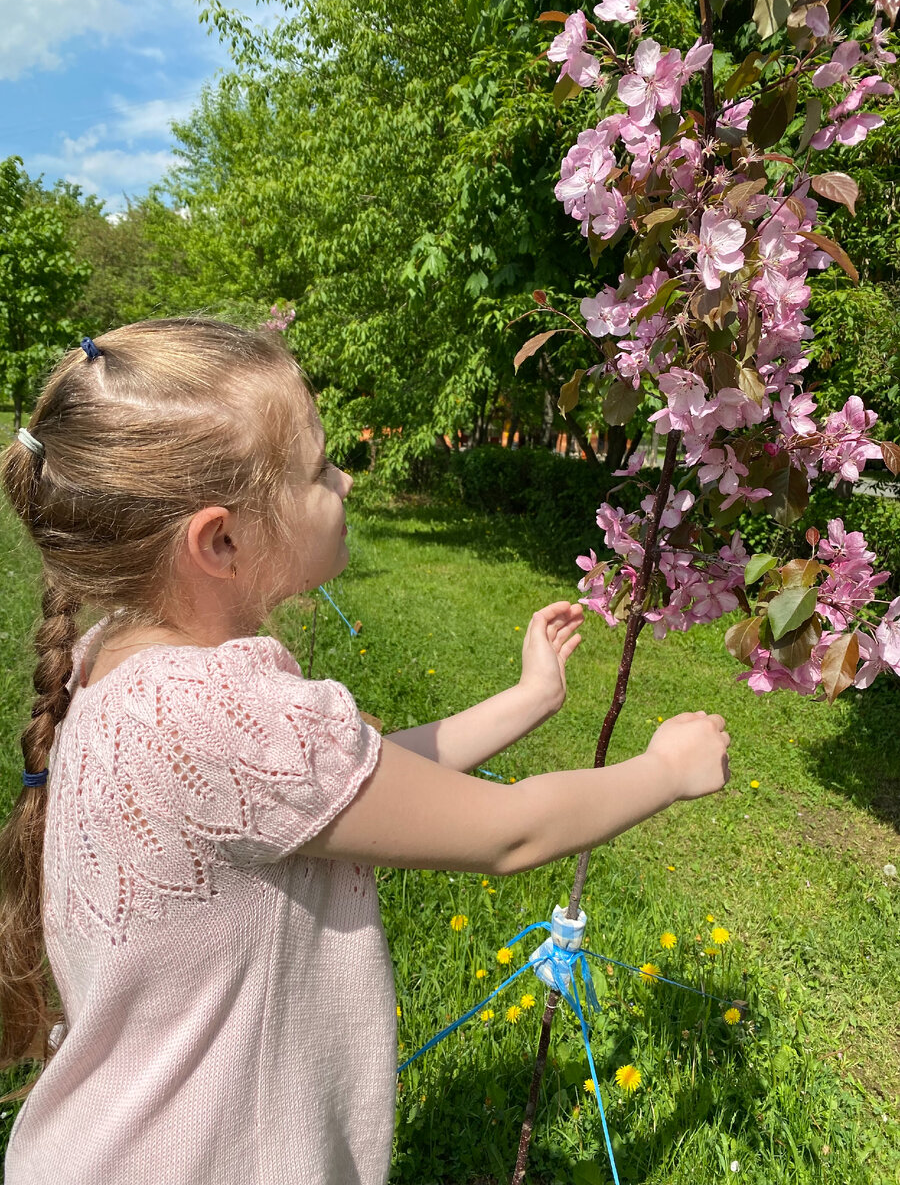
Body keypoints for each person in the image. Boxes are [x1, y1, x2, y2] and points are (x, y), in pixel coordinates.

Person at [0, 318, 730, 1185]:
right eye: (317, 467)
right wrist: (665, 770)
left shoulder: (125, 660)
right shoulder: (215, 710)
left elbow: (346, 783)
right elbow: (512, 834)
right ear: (220, 540)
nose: (345, 478)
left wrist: (528, 700)